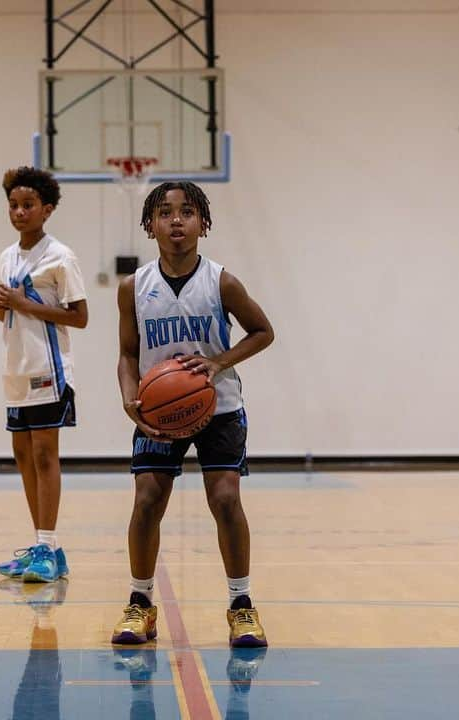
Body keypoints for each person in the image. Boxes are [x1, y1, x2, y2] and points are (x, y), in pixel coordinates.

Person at [111, 181, 275, 647]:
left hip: (218, 404)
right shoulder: (133, 287)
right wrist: (129, 395)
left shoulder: (221, 281)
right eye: (164, 213)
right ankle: (140, 603)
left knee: (225, 500)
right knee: (146, 501)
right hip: (157, 411)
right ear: (150, 226)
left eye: (186, 212)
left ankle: (242, 606)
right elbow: (127, 353)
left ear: (203, 222)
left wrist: (219, 362)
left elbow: (263, 332)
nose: (176, 220)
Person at [0, 166, 88, 583]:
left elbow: (79, 317)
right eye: (13, 205)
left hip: (48, 369)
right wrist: (1, 306)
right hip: (15, 368)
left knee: (46, 455)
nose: (19, 211)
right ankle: (44, 548)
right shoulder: (6, 257)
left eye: (27, 205)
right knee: (23, 457)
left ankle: (47, 545)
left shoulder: (61, 256)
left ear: (46, 209)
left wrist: (24, 304)